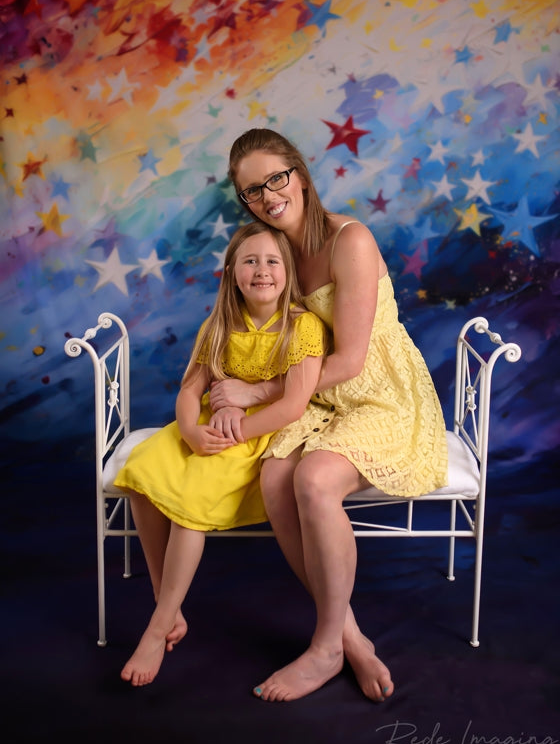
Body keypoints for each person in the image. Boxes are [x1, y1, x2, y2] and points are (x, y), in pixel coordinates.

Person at [209, 128, 449, 702]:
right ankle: (351, 637)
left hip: (379, 390)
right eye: (251, 191)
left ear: (300, 172)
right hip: (317, 394)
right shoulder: (274, 251)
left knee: (314, 480)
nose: (268, 196)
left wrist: (258, 392)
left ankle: (321, 649)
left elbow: (351, 358)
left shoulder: (350, 239)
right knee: (274, 478)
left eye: (276, 178)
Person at [113, 221, 326, 686]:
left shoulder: (302, 326)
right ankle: (166, 605)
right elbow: (191, 390)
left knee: (190, 503)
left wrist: (239, 430)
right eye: (250, 261)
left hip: (260, 436)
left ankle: (156, 628)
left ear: (288, 272)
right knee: (142, 476)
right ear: (231, 272)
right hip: (208, 425)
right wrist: (190, 431)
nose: (262, 271)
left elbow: (292, 405)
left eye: (272, 261)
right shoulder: (220, 324)